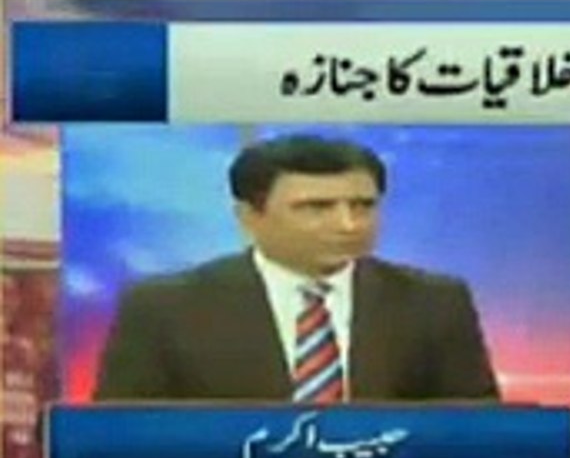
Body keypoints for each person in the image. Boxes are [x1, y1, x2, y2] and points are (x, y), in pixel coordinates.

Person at [93, 134, 500, 402]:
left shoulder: (434, 301)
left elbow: (476, 431)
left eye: (363, 206)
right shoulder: (164, 306)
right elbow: (121, 436)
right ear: (250, 217)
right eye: (316, 207)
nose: (348, 224)